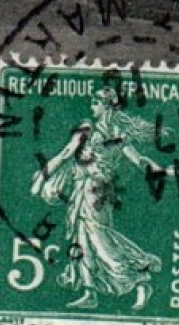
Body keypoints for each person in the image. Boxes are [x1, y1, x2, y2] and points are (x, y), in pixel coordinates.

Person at [31, 87, 170, 311]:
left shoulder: (113, 135)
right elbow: (68, 153)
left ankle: (139, 279)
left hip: (96, 193)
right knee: (82, 240)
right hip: (84, 190)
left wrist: (41, 180)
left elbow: (138, 160)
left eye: (95, 103)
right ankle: (90, 292)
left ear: (105, 105)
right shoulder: (97, 131)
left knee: (99, 239)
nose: (91, 107)